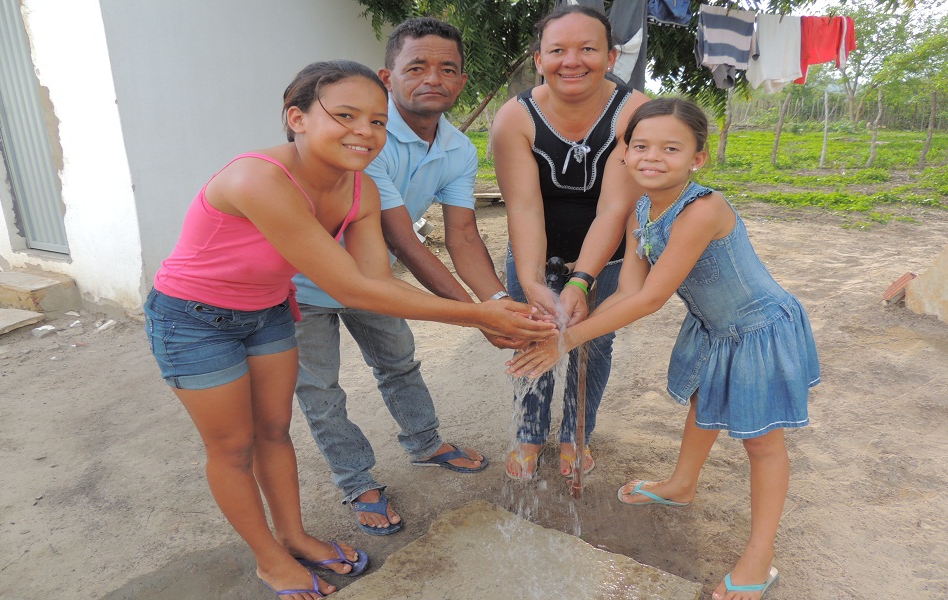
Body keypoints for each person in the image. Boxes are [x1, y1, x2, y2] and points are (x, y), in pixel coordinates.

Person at [143, 60, 554, 599]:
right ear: (297, 118)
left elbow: (375, 282)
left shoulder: (359, 188)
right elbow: (350, 288)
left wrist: (487, 309)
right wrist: (478, 314)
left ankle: (293, 535)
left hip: (268, 309)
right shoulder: (258, 179)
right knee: (233, 446)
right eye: (345, 115)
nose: (365, 131)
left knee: (274, 431)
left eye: (378, 121)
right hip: (194, 320)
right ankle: (270, 559)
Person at [507, 97, 820, 600]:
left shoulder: (703, 210)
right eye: (641, 146)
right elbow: (628, 290)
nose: (652, 157)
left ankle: (760, 560)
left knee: (762, 444)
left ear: (698, 158)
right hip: (713, 326)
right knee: (704, 400)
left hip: (757, 329)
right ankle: (681, 484)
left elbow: (651, 298)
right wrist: (574, 312)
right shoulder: (641, 209)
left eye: (671, 148)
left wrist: (565, 341)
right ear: (625, 154)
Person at [291, 18, 518, 537]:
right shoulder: (365, 137)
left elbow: (463, 235)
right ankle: (357, 481)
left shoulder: (458, 149)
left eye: (447, 69)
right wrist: (479, 317)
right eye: (416, 67)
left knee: (398, 362)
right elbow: (404, 240)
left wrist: (499, 301)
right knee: (321, 391)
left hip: (374, 277)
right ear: (387, 77)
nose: (433, 78)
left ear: (462, 81)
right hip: (302, 284)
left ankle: (424, 443)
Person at [492, 4, 649, 479]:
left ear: (611, 56)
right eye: (558, 50)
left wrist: (582, 280)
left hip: (610, 253)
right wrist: (530, 279)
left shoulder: (634, 112)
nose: (572, 61)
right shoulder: (515, 118)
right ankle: (528, 434)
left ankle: (577, 435)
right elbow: (523, 207)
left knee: (592, 344)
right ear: (539, 59)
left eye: (588, 49)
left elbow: (614, 209)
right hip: (535, 247)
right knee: (533, 335)